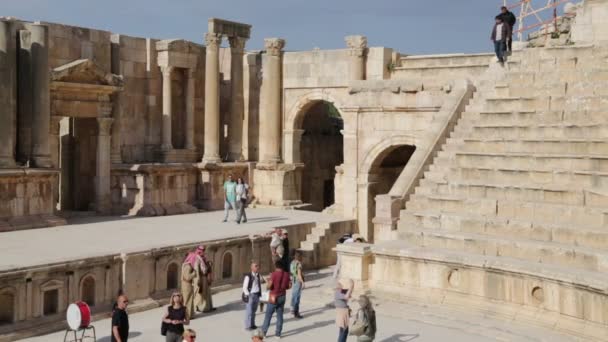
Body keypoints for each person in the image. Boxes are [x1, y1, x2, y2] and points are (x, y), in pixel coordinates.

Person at [261, 260, 292, 339]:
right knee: (280, 315)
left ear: (276, 266)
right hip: (282, 296)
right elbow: (289, 286)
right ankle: (278, 334)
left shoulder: (274, 274)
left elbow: (269, 286)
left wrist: (268, 283)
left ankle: (264, 332)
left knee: (268, 315)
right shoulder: (287, 274)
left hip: (273, 296)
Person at [195, 245, 216, 313]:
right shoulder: (197, 259)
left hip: (205, 278)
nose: (203, 252)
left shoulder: (203, 258)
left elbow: (205, 267)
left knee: (207, 293)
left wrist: (208, 264)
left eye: (204, 250)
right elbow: (197, 270)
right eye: (202, 251)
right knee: (202, 294)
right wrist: (198, 280)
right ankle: (201, 308)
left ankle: (208, 307)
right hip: (201, 278)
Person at [243, 261, 262, 330]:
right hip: (251, 295)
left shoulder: (258, 275)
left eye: (257, 266)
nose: (257, 267)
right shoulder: (248, 276)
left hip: (257, 294)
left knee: (254, 311)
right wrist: (249, 295)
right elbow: (244, 287)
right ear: (252, 268)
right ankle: (247, 326)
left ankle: (252, 324)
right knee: (249, 311)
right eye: (256, 266)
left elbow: (259, 284)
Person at [290, 250, 305, 319]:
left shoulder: (292, 263)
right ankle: (296, 313)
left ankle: (292, 309)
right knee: (297, 297)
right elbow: (299, 274)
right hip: (298, 281)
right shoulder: (299, 264)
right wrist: (303, 282)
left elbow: (292, 272)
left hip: (293, 280)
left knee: (293, 295)